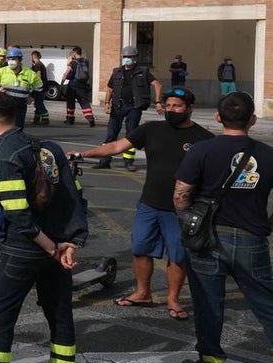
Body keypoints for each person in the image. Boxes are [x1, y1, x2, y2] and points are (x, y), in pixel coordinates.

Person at [0, 92, 87, 363]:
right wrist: (71, 243)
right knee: (60, 316)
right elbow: (73, 196)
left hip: (25, 250)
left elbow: (17, 214)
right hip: (58, 247)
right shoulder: (47, 147)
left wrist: (50, 246)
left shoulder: (5, 154)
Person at [74, 88, 213, 319]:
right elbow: (116, 147)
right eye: (168, 106)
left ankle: (173, 299)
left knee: (178, 256)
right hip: (149, 204)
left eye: (177, 106)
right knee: (140, 249)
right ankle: (142, 293)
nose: (171, 110)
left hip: (181, 210)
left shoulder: (204, 138)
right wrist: (82, 154)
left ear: (190, 108)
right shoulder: (151, 129)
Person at [173, 92, 273, 363]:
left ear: (218, 117)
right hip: (252, 239)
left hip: (209, 238)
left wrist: (188, 221)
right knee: (267, 303)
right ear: (252, 119)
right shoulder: (268, 154)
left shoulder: (202, 150)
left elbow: (181, 194)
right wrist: (267, 224)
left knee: (208, 306)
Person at [96, 46, 163, 171]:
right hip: (117, 106)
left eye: (129, 57)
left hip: (134, 106)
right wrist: (107, 103)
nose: (127, 59)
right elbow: (110, 89)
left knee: (131, 135)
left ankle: (128, 162)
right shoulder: (117, 72)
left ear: (135, 58)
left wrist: (158, 102)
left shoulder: (143, 72)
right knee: (111, 134)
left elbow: (157, 84)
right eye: (125, 57)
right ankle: (105, 161)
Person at [0, 47, 41, 129]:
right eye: (9, 59)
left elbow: (39, 87)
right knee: (3, 128)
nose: (11, 61)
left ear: (20, 60)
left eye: (13, 59)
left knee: (18, 128)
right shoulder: (1, 71)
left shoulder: (30, 73)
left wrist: (33, 97)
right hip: (4, 105)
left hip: (20, 106)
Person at [60, 46, 95, 127]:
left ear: (74, 53)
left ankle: (70, 119)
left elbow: (66, 73)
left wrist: (61, 83)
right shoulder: (85, 61)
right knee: (84, 103)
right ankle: (91, 119)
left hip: (73, 85)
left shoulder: (73, 63)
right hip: (83, 85)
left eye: (72, 52)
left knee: (70, 102)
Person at [28, 50, 50, 125]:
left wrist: (34, 85)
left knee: (39, 103)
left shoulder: (38, 65)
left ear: (33, 56)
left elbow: (38, 76)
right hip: (43, 87)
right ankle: (36, 118)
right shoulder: (40, 64)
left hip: (40, 88)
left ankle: (45, 118)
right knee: (37, 103)